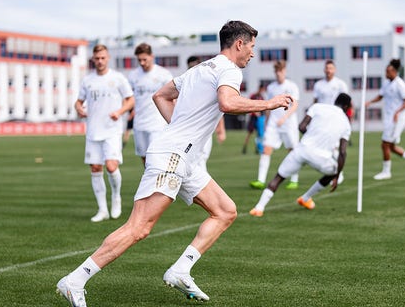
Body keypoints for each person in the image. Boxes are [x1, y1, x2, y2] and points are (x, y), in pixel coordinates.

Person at [56, 20, 294, 306]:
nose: (253, 54)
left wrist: (179, 130)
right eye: (252, 47)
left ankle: (181, 270)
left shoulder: (200, 68)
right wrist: (270, 103)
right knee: (139, 228)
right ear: (239, 44)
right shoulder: (229, 70)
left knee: (225, 211)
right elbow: (228, 103)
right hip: (173, 155)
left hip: (184, 157)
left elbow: (161, 95)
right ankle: (75, 280)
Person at [249, 94, 352, 217]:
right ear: (346, 106)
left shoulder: (318, 106)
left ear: (335, 101)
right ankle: (306, 198)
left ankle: (258, 208)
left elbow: (301, 126)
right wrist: (338, 175)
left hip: (301, 150)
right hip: (321, 158)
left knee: (278, 178)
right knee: (334, 171)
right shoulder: (346, 124)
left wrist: (311, 137)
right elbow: (342, 152)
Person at [74, 44, 135, 222]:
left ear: (107, 58)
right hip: (93, 130)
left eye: (103, 58)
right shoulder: (88, 80)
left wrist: (120, 111)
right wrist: (79, 109)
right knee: (95, 168)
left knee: (111, 166)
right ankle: (102, 210)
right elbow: (78, 102)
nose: (100, 61)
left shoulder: (118, 78)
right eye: (97, 58)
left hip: (112, 130)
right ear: (93, 59)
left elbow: (130, 100)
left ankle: (116, 198)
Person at [365, 58, 405, 180]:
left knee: (384, 144)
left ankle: (386, 172)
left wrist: (397, 112)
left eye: (388, 72)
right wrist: (370, 102)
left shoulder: (400, 84)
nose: (386, 74)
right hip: (389, 119)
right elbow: (380, 96)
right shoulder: (386, 83)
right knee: (391, 146)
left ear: (394, 72)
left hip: (397, 120)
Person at [250, 60, 300, 190]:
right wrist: (267, 123)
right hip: (273, 124)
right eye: (276, 71)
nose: (278, 74)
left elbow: (295, 105)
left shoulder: (292, 86)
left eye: (281, 71)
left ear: (285, 71)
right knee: (266, 150)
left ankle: (294, 180)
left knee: (293, 151)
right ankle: (260, 180)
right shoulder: (271, 87)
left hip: (288, 124)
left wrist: (284, 118)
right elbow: (268, 107)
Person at [128, 43, 173, 164]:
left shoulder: (163, 74)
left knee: (155, 158)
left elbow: (173, 97)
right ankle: (152, 182)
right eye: (139, 60)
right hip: (139, 124)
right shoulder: (133, 76)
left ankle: (158, 181)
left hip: (157, 124)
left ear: (151, 56)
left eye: (144, 59)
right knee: (144, 159)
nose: (142, 62)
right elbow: (129, 97)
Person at [242, 84, 266, 154]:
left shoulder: (262, 97)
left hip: (259, 119)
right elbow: (249, 105)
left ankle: (257, 149)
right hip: (253, 117)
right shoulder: (254, 96)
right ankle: (244, 147)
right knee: (249, 133)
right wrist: (255, 112)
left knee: (258, 134)